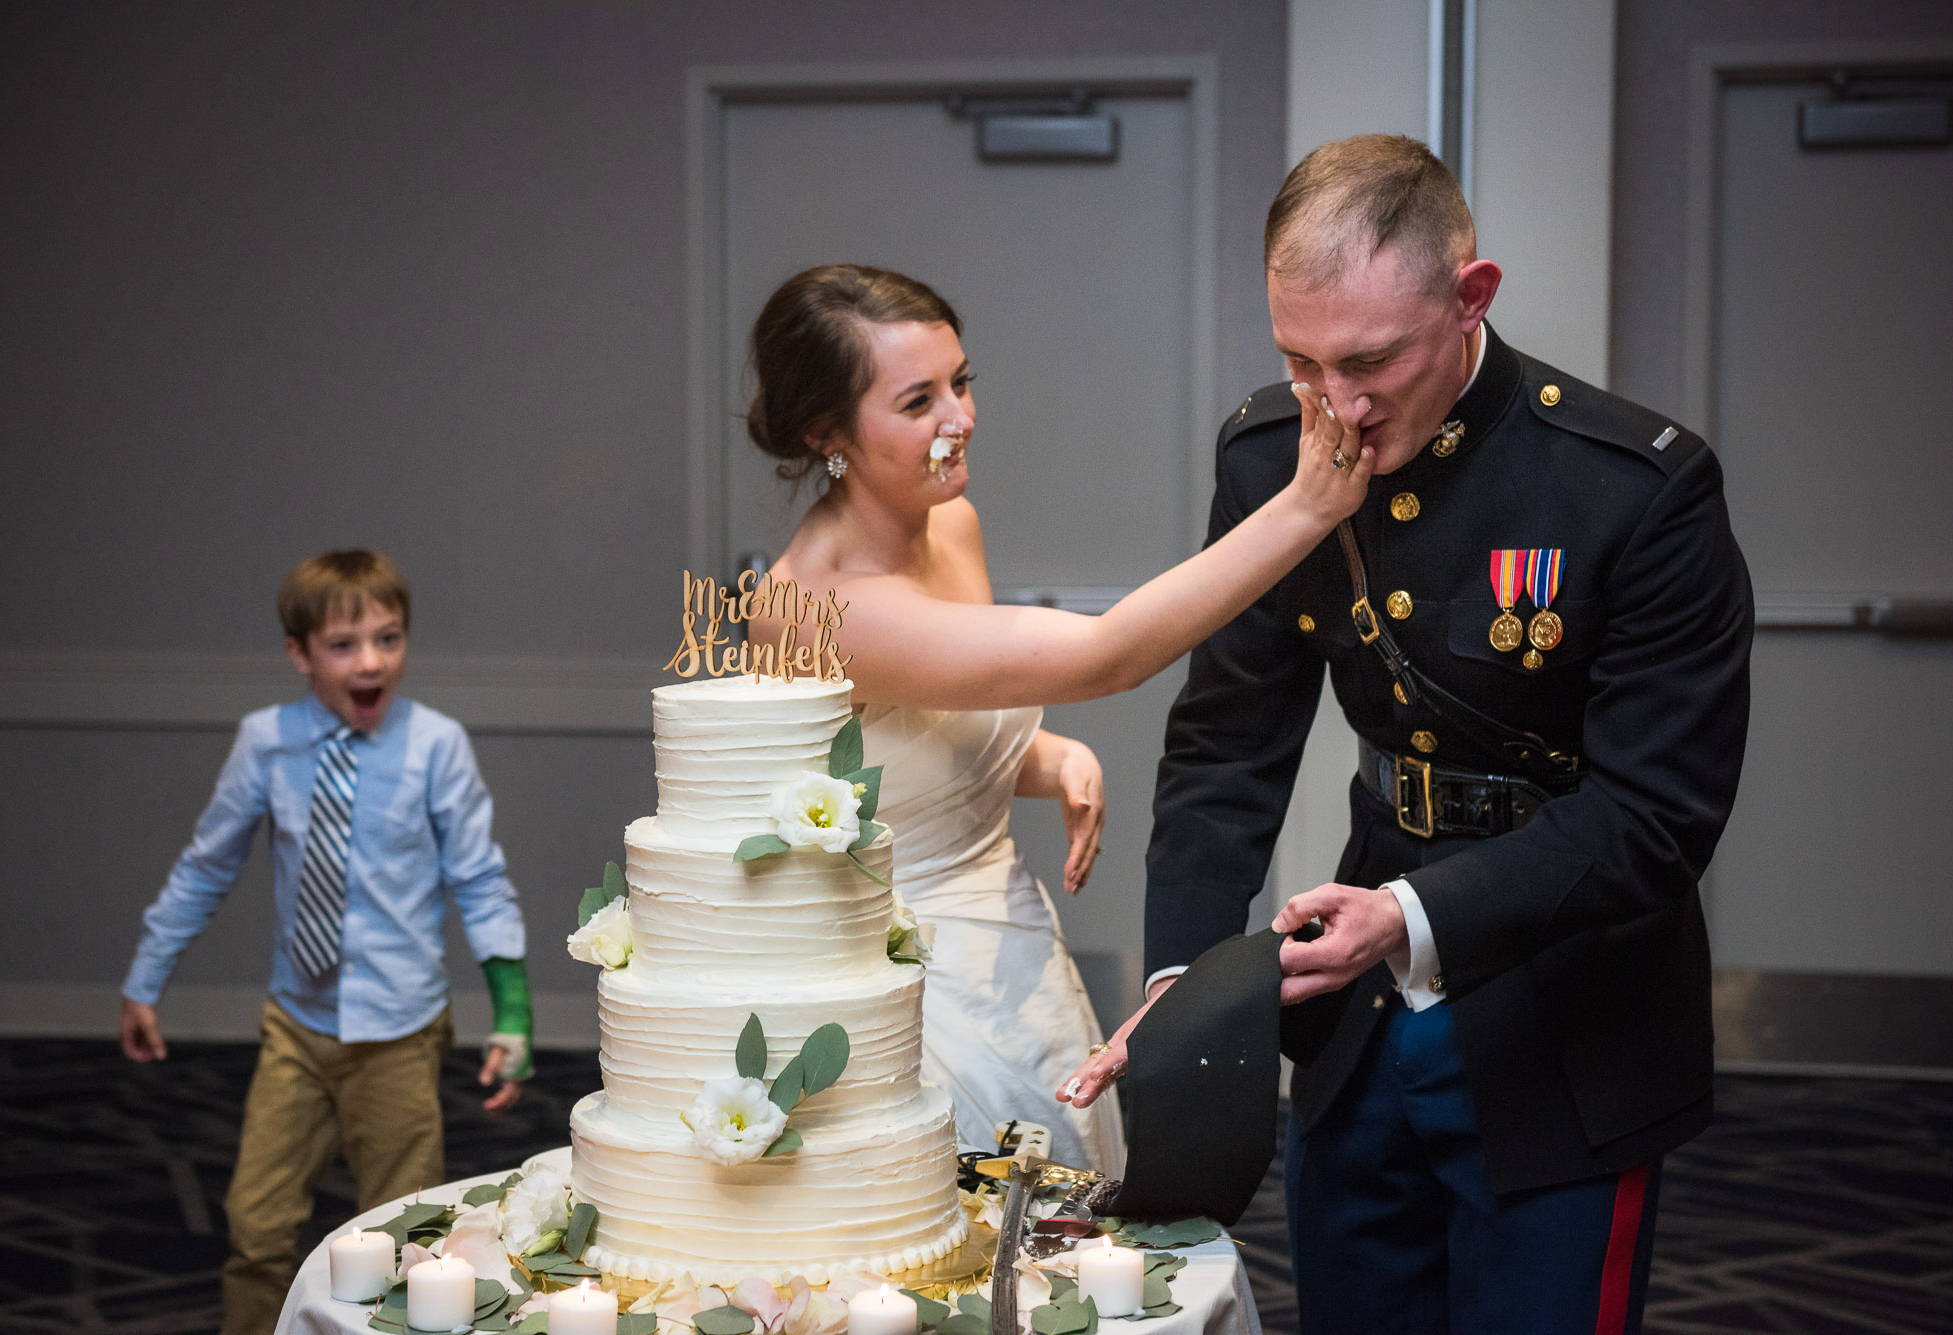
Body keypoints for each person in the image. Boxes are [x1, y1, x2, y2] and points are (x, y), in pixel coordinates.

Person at [1062, 135, 1755, 1333]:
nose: (1334, 407)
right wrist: (1185, 985)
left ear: (1470, 297)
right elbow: (1227, 740)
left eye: (1370, 361)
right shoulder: (1269, 459)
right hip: (1353, 1025)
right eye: (1298, 361)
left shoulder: (1630, 488)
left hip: (1567, 1016)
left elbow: (1655, 815)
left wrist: (1412, 919)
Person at [742, 263, 1372, 1175]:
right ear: (826, 433)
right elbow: (1102, 655)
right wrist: (1306, 507)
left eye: (961, 383)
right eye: (917, 401)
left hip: (1011, 942)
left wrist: (1048, 756)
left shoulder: (949, 525)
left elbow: (915, 728)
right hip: (897, 981)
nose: (959, 418)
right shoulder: (808, 606)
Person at [118, 550, 535, 1335]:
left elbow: (479, 879)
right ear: (300, 654)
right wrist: (146, 979)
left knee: (408, 1237)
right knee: (258, 1225)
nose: (372, 661)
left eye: (389, 637)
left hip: (399, 1035)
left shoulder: (435, 744)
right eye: (344, 645)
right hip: (297, 1028)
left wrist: (513, 1013)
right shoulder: (265, 741)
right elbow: (207, 866)